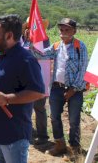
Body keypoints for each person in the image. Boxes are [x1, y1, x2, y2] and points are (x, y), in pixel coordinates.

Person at [0, 14, 45, 163]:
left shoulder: (26, 59)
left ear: (9, 35)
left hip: (13, 134)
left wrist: (7, 99)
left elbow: (38, 92)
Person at [31, 18, 88, 155]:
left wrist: (73, 89)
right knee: (55, 117)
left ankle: (74, 147)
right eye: (61, 30)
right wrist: (32, 43)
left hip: (75, 89)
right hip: (57, 87)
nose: (63, 32)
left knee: (74, 120)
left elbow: (82, 70)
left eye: (67, 30)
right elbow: (41, 55)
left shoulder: (80, 47)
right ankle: (60, 145)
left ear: (74, 31)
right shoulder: (57, 46)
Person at [22, 17, 50, 145]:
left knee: (39, 108)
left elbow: (42, 54)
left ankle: (43, 136)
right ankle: (27, 133)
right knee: (25, 107)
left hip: (39, 79)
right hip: (24, 80)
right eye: (28, 27)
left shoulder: (44, 41)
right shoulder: (22, 41)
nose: (29, 29)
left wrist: (32, 41)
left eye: (32, 27)